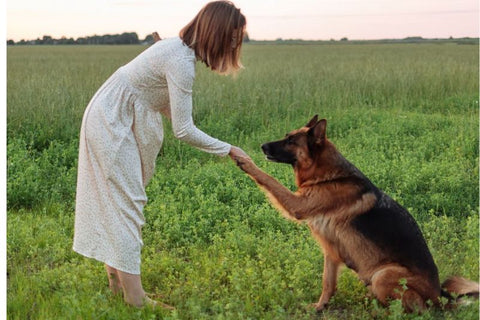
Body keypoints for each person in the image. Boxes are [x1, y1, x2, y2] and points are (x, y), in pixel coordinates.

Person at [73, 1, 248, 308]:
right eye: (233, 38)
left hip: (114, 114)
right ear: (217, 33)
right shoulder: (179, 61)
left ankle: (117, 285)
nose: (235, 45)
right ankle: (135, 299)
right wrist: (229, 149)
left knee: (120, 202)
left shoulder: (177, 51)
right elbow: (183, 130)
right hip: (111, 119)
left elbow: (158, 101)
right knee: (128, 205)